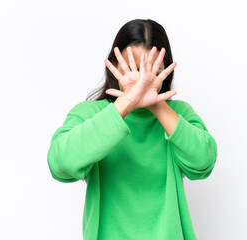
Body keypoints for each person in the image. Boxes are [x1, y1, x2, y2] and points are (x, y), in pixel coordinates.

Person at [47, 19, 218, 240]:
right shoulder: (90, 114)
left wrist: (156, 104)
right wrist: (126, 103)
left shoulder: (178, 114)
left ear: (164, 70)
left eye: (151, 71)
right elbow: (60, 164)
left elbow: (203, 163)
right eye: (134, 68)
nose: (142, 79)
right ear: (113, 65)